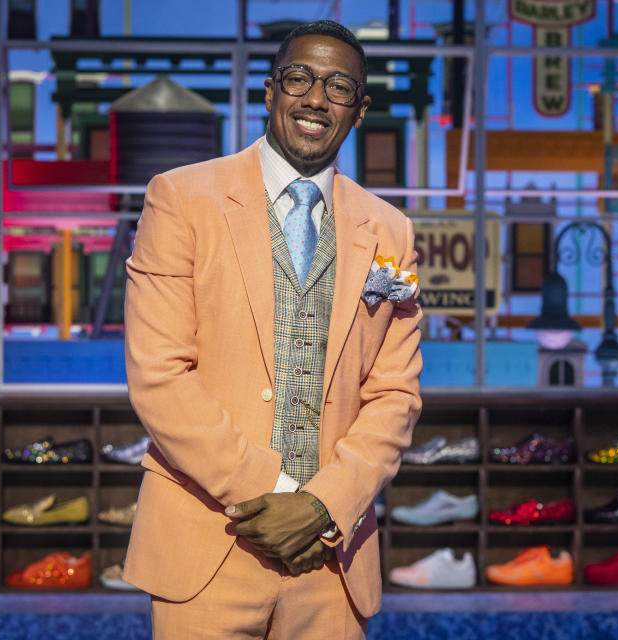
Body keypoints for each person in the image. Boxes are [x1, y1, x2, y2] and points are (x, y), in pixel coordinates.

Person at [122, 19, 423, 640]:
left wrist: (322, 507)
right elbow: (159, 376)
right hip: (210, 543)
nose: (316, 98)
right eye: (300, 78)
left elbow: (394, 395)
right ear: (269, 90)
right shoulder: (181, 198)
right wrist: (280, 495)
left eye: (339, 87)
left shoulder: (389, 230)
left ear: (359, 110)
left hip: (331, 557)